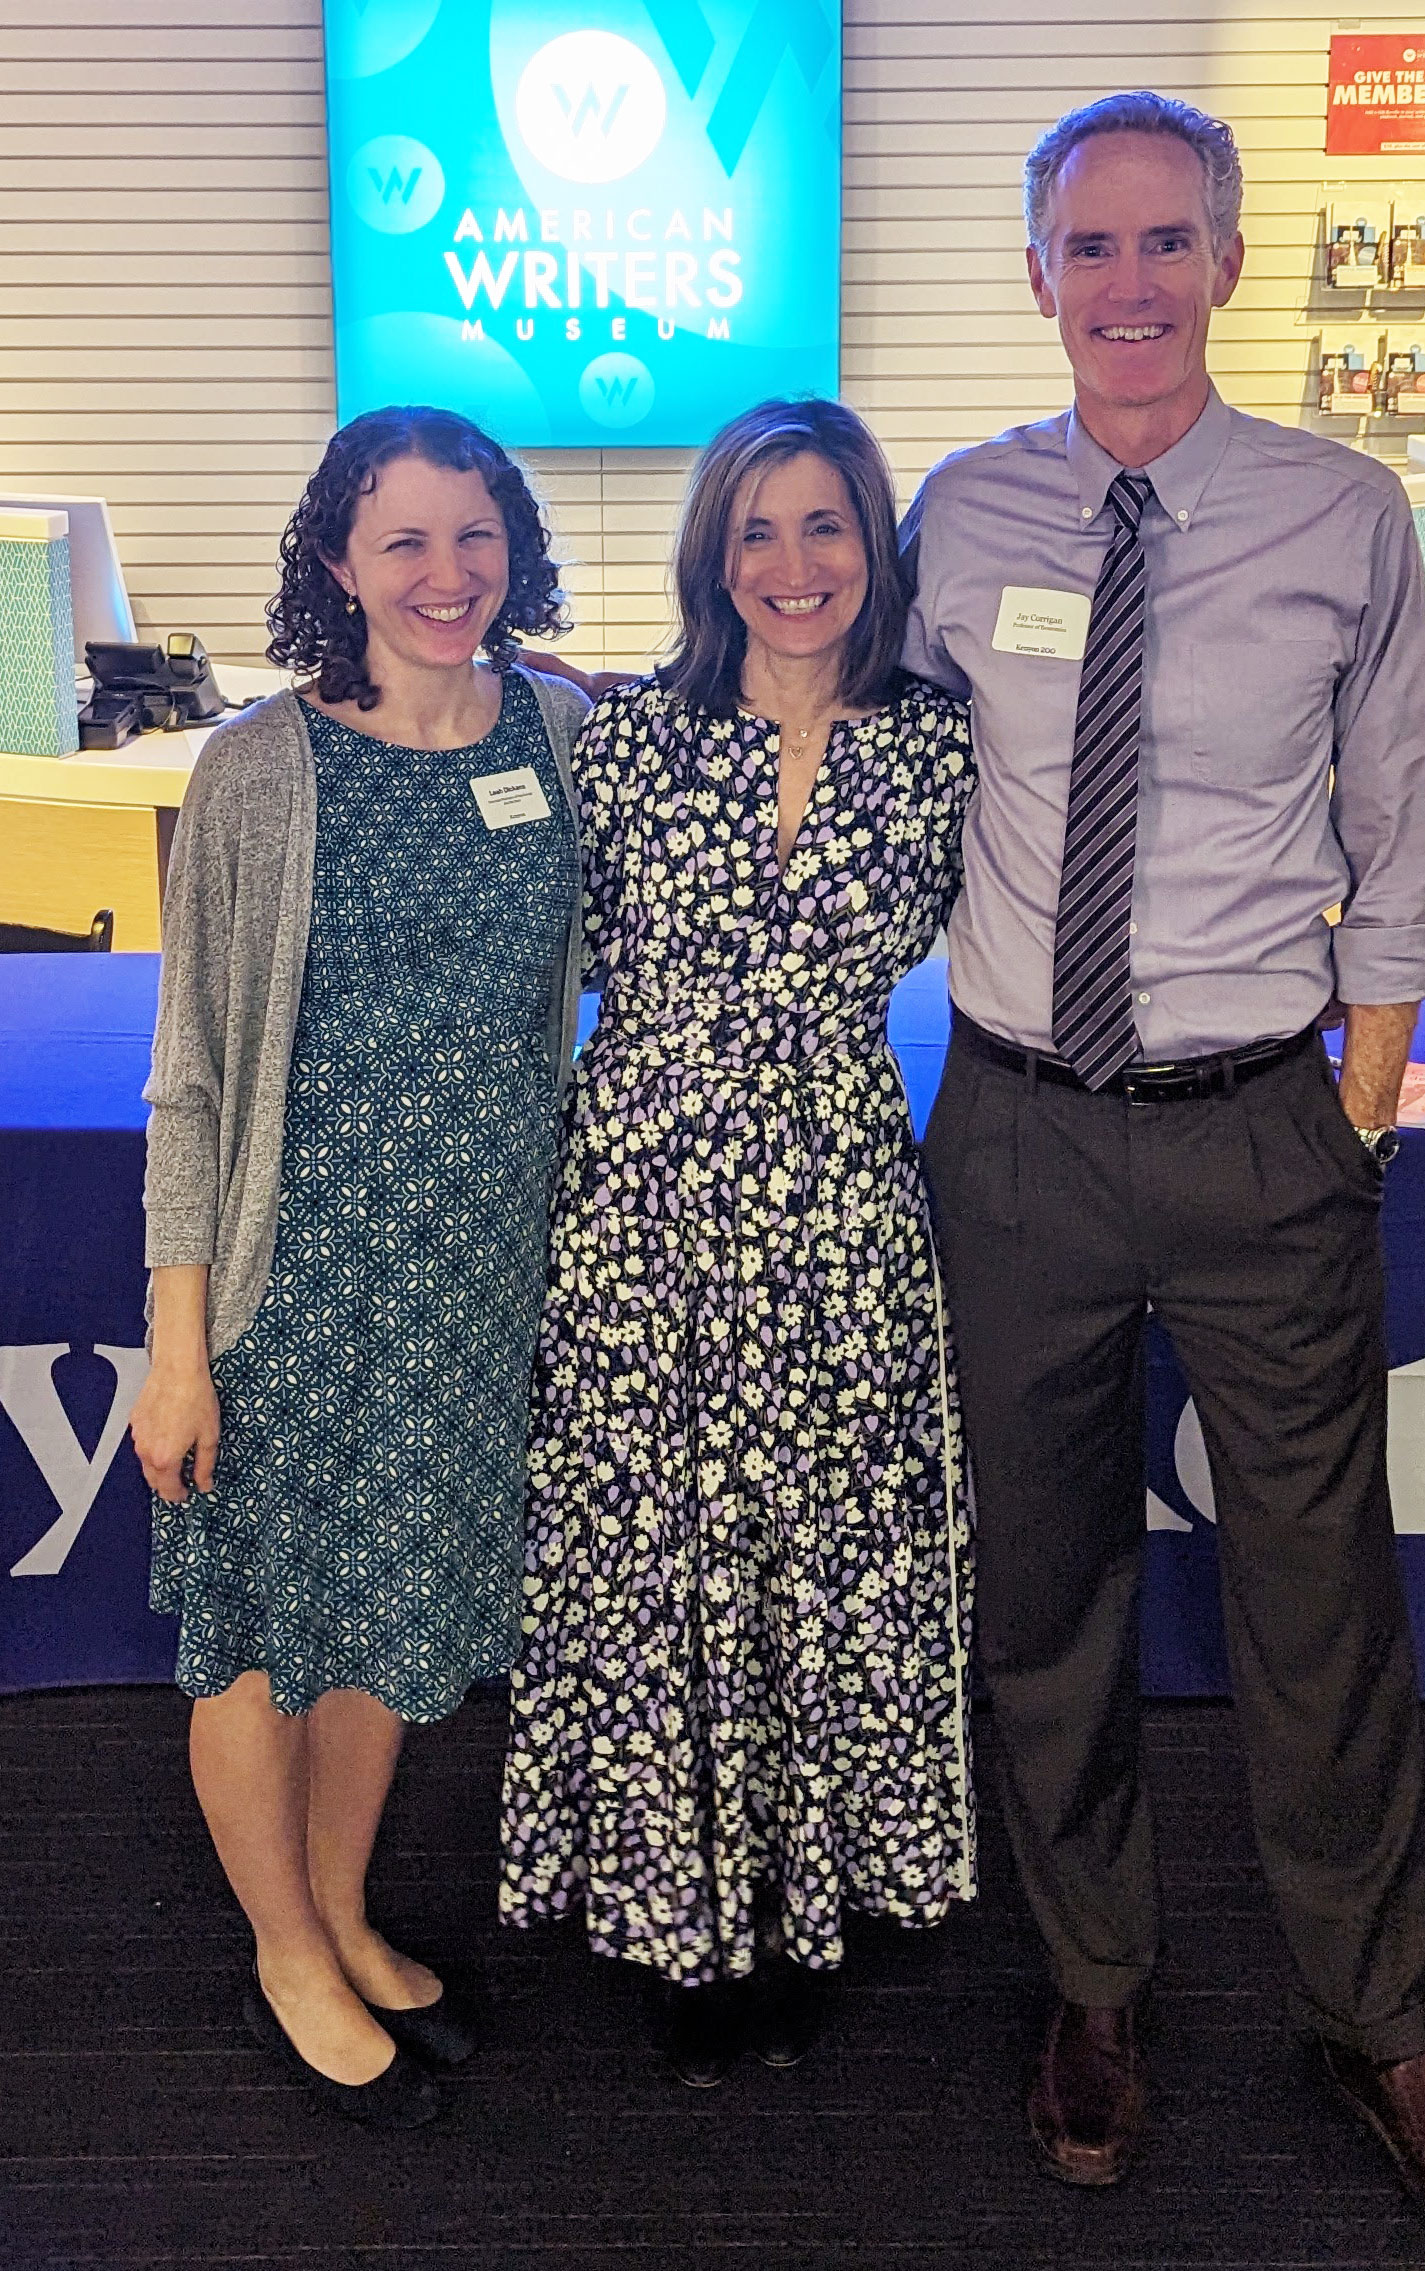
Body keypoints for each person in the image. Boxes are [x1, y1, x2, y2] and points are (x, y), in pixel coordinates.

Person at [900, 93, 1425, 2271]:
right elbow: (862, 753)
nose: (1126, 286)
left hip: (1259, 1129)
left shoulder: (1335, 511)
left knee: (1317, 1610)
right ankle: (1094, 1986)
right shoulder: (957, 512)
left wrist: (1356, 1106)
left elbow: (1401, 831)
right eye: (1086, 247)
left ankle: (1375, 2026)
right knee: (1044, 1591)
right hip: (1009, 1133)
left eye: (1164, 242)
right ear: (1033, 275)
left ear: (1227, 260)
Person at [500, 398, 979, 2087]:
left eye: (827, 526)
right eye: (758, 531)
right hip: (640, 1204)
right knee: (658, 1550)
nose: (795, 567)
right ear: (713, 550)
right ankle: (667, 1912)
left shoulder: (941, 745)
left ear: (875, 544)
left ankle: (806, 1890)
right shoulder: (620, 743)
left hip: (840, 1206)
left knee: (816, 1546)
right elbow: (508, 962)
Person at [130, 406, 590, 2128]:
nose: (444, 575)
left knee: (391, 1626)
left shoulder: (557, 731)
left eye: (473, 537)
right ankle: (284, 1952)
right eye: (402, 540)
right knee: (257, 1633)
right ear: (337, 559)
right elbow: (188, 1078)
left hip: (472, 1295)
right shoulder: (256, 771)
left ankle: (333, 1910)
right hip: (290, 1287)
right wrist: (181, 1349)